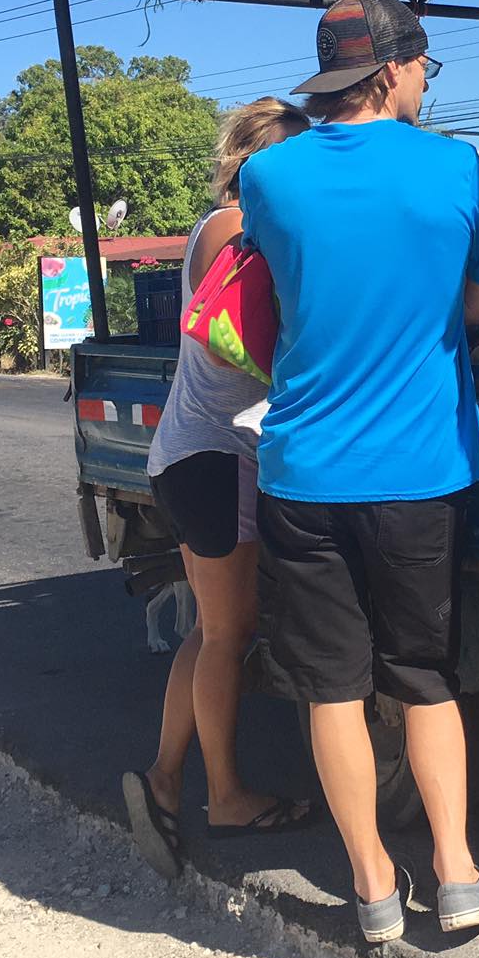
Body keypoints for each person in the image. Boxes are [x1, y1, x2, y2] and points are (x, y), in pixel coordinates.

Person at [242, 0, 479, 943]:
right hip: (418, 473)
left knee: (333, 688)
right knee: (423, 678)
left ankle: (371, 890)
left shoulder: (269, 178)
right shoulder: (454, 167)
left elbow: (286, 292)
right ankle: (461, 872)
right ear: (394, 72)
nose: (425, 86)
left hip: (306, 471)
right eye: (424, 70)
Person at [121, 98, 316, 880]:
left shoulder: (216, 224)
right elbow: (260, 338)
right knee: (229, 634)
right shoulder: (238, 229)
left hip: (189, 454)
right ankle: (227, 796)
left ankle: (165, 781)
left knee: (210, 631)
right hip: (219, 455)